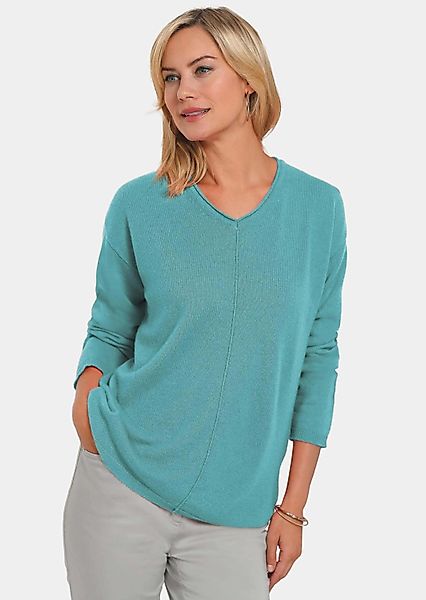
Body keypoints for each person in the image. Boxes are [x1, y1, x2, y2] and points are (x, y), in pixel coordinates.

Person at [62, 6, 348, 600]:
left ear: (249, 80)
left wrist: (293, 508)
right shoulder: (139, 204)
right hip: (119, 483)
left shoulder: (319, 208)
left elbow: (317, 358)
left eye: (201, 70)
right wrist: (87, 411)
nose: (182, 92)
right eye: (170, 77)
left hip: (238, 511)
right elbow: (111, 329)